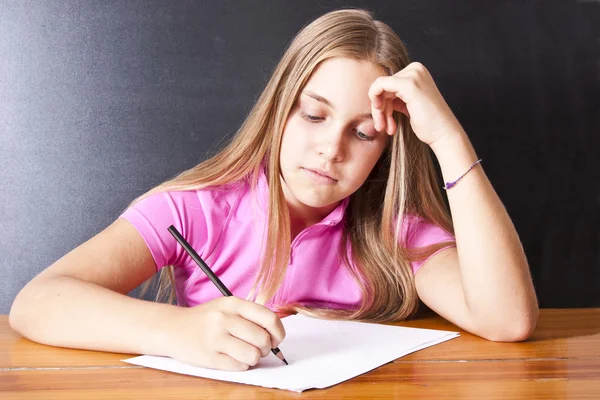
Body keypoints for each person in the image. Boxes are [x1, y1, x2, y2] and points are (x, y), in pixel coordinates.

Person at [9, 8, 539, 372]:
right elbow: (38, 302)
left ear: (387, 148)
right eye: (313, 115)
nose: (331, 149)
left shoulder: (393, 231)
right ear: (279, 111)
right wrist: (179, 332)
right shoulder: (194, 210)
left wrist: (447, 138)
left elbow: (508, 319)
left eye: (363, 133)